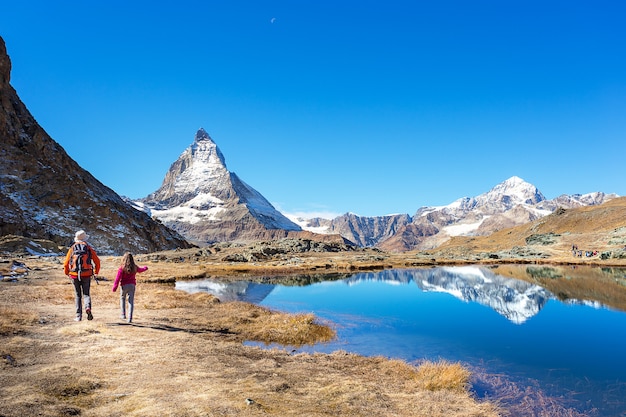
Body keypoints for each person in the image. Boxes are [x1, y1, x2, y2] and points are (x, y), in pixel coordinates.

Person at [63, 230, 100, 321]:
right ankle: (88, 308)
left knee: (77, 295)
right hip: (86, 274)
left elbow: (66, 263)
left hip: (74, 275)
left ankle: (78, 315)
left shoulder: (72, 248)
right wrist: (96, 272)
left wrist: (67, 272)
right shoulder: (88, 248)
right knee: (86, 294)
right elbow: (97, 261)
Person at [112, 252, 148, 323]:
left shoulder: (122, 268)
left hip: (124, 286)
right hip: (132, 285)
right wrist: (145, 268)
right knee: (130, 302)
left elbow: (117, 278)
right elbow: (141, 270)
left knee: (122, 299)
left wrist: (115, 287)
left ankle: (123, 314)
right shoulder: (134, 267)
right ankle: (130, 318)